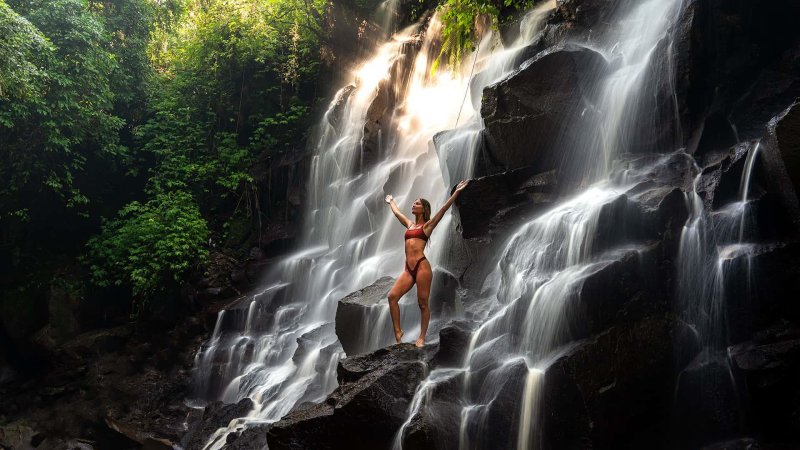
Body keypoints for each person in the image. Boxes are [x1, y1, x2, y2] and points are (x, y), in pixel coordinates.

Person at [384, 180, 469, 347]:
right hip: (408, 269)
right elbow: (397, 213)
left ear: (424, 209)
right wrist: (391, 201)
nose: (413, 205)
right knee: (392, 297)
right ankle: (398, 331)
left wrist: (456, 192)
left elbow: (443, 210)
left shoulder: (427, 227)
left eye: (417, 203)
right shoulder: (410, 225)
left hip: (422, 267)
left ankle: (422, 337)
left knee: (422, 303)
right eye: (414, 203)